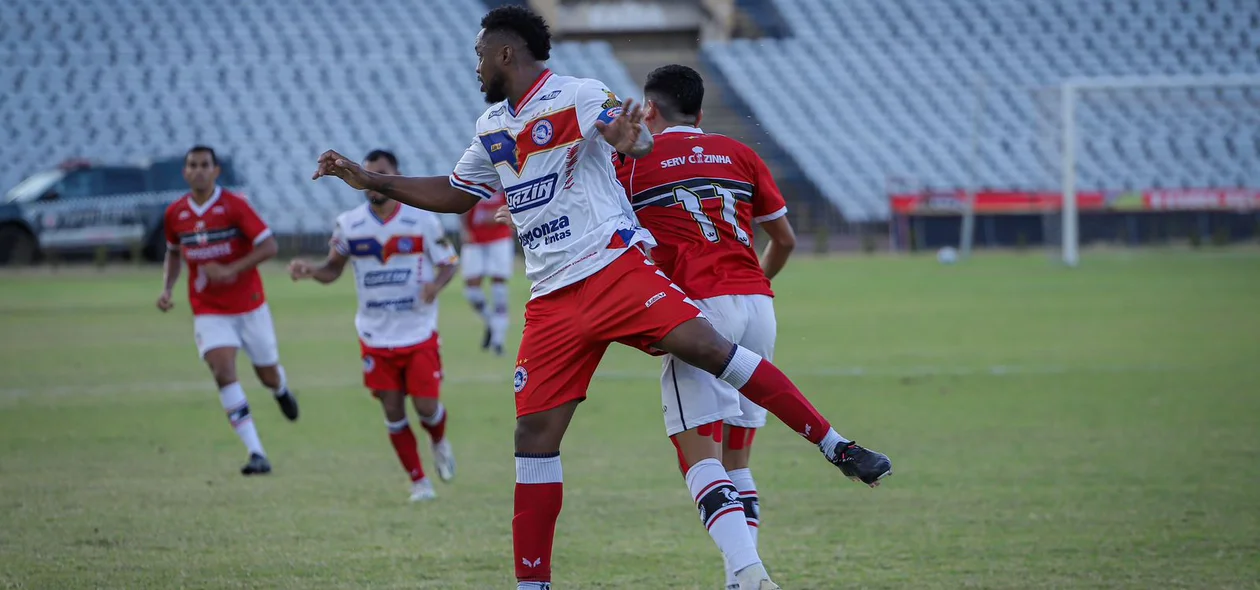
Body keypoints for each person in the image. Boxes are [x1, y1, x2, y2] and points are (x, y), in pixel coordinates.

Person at [311, 7, 890, 589]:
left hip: (614, 270)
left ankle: (836, 445)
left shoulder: (579, 94)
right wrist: (373, 181)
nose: (476, 65)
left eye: (480, 54)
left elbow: (624, 134)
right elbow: (459, 193)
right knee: (533, 437)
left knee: (710, 348)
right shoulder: (491, 127)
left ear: (505, 54)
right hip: (552, 301)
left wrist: (630, 137)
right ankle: (532, 585)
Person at [615, 64, 800, 590]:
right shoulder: (739, 153)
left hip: (699, 315)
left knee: (698, 459)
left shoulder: (631, 165)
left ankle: (751, 572)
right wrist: (752, 284)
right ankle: (739, 579)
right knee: (738, 459)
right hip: (757, 307)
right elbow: (783, 238)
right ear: (700, 111)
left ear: (649, 110)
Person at [288, 150, 458, 502]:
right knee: (393, 411)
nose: (373, 181)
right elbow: (333, 269)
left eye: (381, 173)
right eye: (368, 174)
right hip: (374, 335)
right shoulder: (349, 223)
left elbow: (449, 262)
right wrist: (311, 271)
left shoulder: (422, 220)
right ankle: (419, 483)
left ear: (395, 176)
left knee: (427, 408)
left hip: (418, 331)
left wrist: (435, 286)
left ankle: (439, 441)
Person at [157, 145, 299, 476]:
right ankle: (256, 452)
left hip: (250, 306)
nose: (199, 170)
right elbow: (174, 253)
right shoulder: (175, 214)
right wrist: (167, 289)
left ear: (216, 171)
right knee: (223, 371)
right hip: (209, 309)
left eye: (205, 165)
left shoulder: (235, 206)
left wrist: (233, 268)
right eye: (192, 165)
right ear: (185, 172)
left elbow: (269, 246)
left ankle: (280, 389)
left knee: (267, 373)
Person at [460, 189, 514, 355]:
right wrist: (464, 229)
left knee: (499, 287)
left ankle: (498, 341)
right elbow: (461, 204)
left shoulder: (505, 175)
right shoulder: (475, 176)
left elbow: (514, 204)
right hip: (475, 239)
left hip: (500, 238)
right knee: (471, 291)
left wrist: (501, 215)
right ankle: (491, 322)